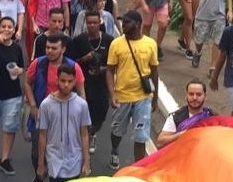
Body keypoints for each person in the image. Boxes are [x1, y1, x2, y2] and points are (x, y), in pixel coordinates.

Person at [24, 32, 85, 182]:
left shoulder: (73, 67)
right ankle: (40, 174)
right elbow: (27, 84)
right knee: (37, 153)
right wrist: (32, 105)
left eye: (54, 48)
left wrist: (81, 116)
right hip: (42, 114)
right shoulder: (38, 64)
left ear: (63, 49)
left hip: (65, 115)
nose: (49, 51)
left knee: (64, 150)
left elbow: (81, 92)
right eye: (47, 48)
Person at [105, 10, 158, 170]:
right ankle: (115, 150)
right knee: (117, 130)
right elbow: (110, 70)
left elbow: (154, 71)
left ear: (138, 24)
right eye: (123, 22)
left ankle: (137, 168)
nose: (123, 25)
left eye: (127, 22)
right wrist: (112, 94)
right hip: (122, 96)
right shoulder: (116, 44)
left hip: (143, 97)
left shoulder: (150, 44)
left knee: (141, 136)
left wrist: (155, 97)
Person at [35, 64, 92, 182]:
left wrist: (86, 162)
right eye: (63, 81)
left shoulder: (82, 105)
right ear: (57, 80)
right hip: (54, 160)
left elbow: (84, 134)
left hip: (74, 161)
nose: (66, 85)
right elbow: (42, 135)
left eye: (70, 81)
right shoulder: (46, 105)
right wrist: (40, 163)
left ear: (75, 81)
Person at [68, 10, 113, 155]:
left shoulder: (108, 40)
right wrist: (84, 59)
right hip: (83, 83)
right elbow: (71, 63)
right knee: (81, 111)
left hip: (102, 83)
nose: (92, 26)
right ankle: (84, 136)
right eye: (89, 23)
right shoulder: (79, 40)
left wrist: (102, 69)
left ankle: (92, 132)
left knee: (100, 114)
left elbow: (113, 65)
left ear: (100, 21)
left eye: (95, 22)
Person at [0, 17, 25, 175]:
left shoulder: (16, 48)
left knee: (10, 127)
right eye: (4, 26)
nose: (7, 30)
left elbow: (22, 67)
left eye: (10, 27)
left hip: (13, 93)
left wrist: (19, 71)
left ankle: (5, 159)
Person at [156, 79, 214, 148]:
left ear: (205, 96)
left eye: (198, 94)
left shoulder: (212, 116)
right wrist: (179, 135)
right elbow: (160, 143)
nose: (194, 98)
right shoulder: (176, 117)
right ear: (186, 96)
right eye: (191, 94)